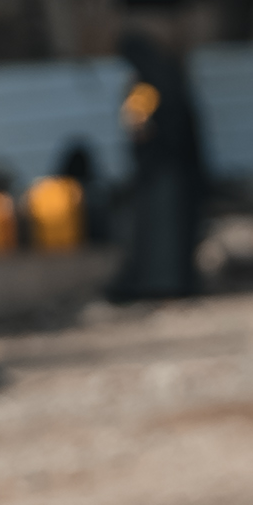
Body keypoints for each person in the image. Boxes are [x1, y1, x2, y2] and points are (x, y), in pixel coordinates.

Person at [103, 26, 212, 303]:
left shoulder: (146, 88)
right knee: (173, 230)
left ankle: (160, 283)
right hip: (179, 171)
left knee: (158, 230)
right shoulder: (169, 78)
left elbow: (140, 127)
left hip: (160, 173)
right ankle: (173, 282)